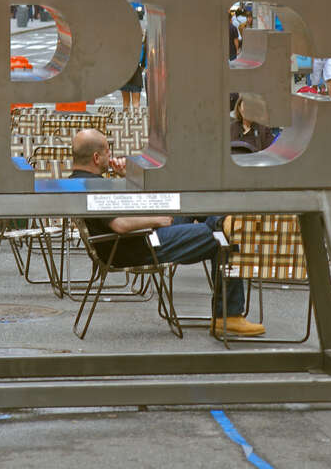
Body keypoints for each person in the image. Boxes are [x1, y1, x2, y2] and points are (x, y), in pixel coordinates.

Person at [71, 129, 265, 336]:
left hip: (137, 239)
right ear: (96, 157)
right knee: (222, 238)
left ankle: (223, 220)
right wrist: (158, 219)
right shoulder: (96, 186)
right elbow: (121, 224)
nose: (111, 156)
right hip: (138, 245)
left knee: (192, 205)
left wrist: (126, 176)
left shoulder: (78, 180)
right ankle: (229, 316)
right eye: (108, 151)